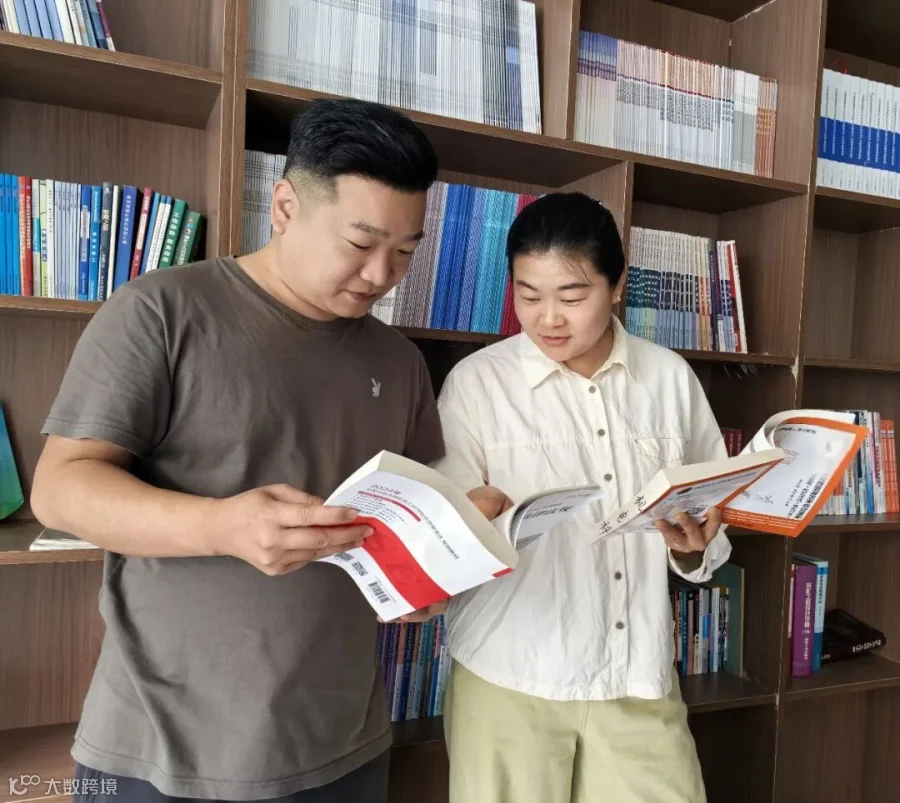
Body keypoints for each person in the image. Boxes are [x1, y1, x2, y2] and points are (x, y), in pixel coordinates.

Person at [29, 98, 496, 803]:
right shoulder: (161, 310)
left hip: (344, 740)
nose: (382, 274)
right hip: (164, 748)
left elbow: (400, 511)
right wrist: (223, 525)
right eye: (360, 242)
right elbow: (60, 489)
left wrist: (431, 569)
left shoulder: (399, 361)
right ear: (284, 206)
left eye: (405, 250)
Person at [433, 192, 732, 803]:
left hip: (636, 672)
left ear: (617, 285)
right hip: (509, 675)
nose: (548, 319)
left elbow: (712, 512)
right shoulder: (476, 384)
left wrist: (691, 549)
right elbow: (444, 540)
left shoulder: (668, 378)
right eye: (528, 296)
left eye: (572, 297)